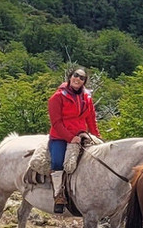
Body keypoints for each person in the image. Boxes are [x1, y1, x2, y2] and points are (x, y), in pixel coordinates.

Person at [48, 67, 100, 214]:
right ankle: (59, 196)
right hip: (60, 137)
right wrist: (70, 138)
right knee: (57, 162)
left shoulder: (87, 97)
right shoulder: (57, 97)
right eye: (76, 75)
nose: (78, 79)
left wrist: (96, 136)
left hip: (81, 134)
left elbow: (91, 119)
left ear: (84, 82)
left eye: (82, 78)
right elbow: (56, 123)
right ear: (70, 77)